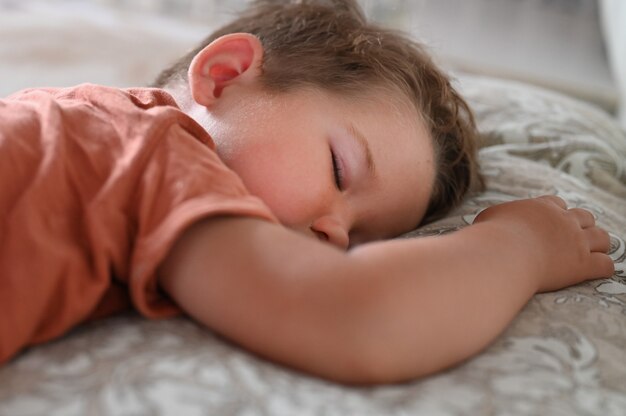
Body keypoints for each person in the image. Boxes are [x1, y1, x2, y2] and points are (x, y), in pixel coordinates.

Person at [0, 0, 613, 384]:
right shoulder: (160, 154)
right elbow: (359, 318)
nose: (335, 235)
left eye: (363, 238)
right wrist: (523, 245)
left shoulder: (79, 134)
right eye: (340, 171)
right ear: (227, 75)